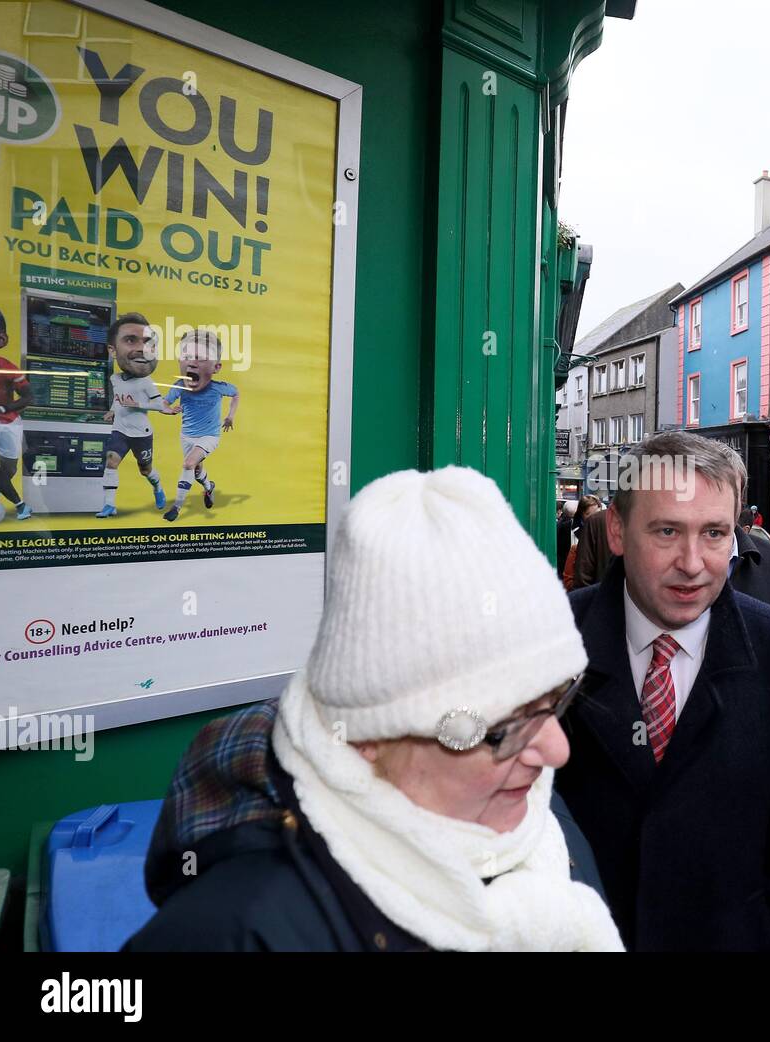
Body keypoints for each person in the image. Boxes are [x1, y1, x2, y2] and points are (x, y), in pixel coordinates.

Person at [125, 468, 623, 952]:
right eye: (504, 727)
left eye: (556, 700)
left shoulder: (530, 813)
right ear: (368, 737)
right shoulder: (237, 932)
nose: (556, 751)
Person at [556, 431, 770, 950]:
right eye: (666, 531)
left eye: (715, 534)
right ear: (616, 529)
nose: (692, 562)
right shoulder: (550, 642)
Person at [160, 329, 240, 522]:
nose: (193, 362)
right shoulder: (179, 386)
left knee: (188, 464)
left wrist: (230, 415)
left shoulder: (218, 387)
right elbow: (163, 404)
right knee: (196, 471)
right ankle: (208, 487)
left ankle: (176, 508)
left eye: (201, 358)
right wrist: (168, 410)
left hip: (209, 437)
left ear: (216, 367)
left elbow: (236, 393)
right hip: (186, 436)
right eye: (187, 356)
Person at [97, 313, 167, 518]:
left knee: (145, 470)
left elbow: (159, 404)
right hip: (121, 430)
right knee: (111, 461)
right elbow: (118, 397)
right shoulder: (115, 378)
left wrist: (137, 404)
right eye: (130, 340)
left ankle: (157, 487)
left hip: (141, 433)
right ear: (113, 350)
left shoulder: (146, 382)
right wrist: (112, 409)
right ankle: (109, 505)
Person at [0, 303, 34, 520]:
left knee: (8, 470)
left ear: (0, 339)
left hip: (9, 422)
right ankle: (20, 505)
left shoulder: (5, 367)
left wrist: (2, 408)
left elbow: (28, 396)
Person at [572, 493, 613, 589]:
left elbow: (583, 570)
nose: (593, 516)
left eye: (596, 512)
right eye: (588, 514)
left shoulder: (592, 524)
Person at [563, 494, 602, 590]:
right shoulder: (568, 531)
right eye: (589, 514)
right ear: (582, 515)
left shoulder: (608, 533)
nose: (594, 518)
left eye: (597, 514)